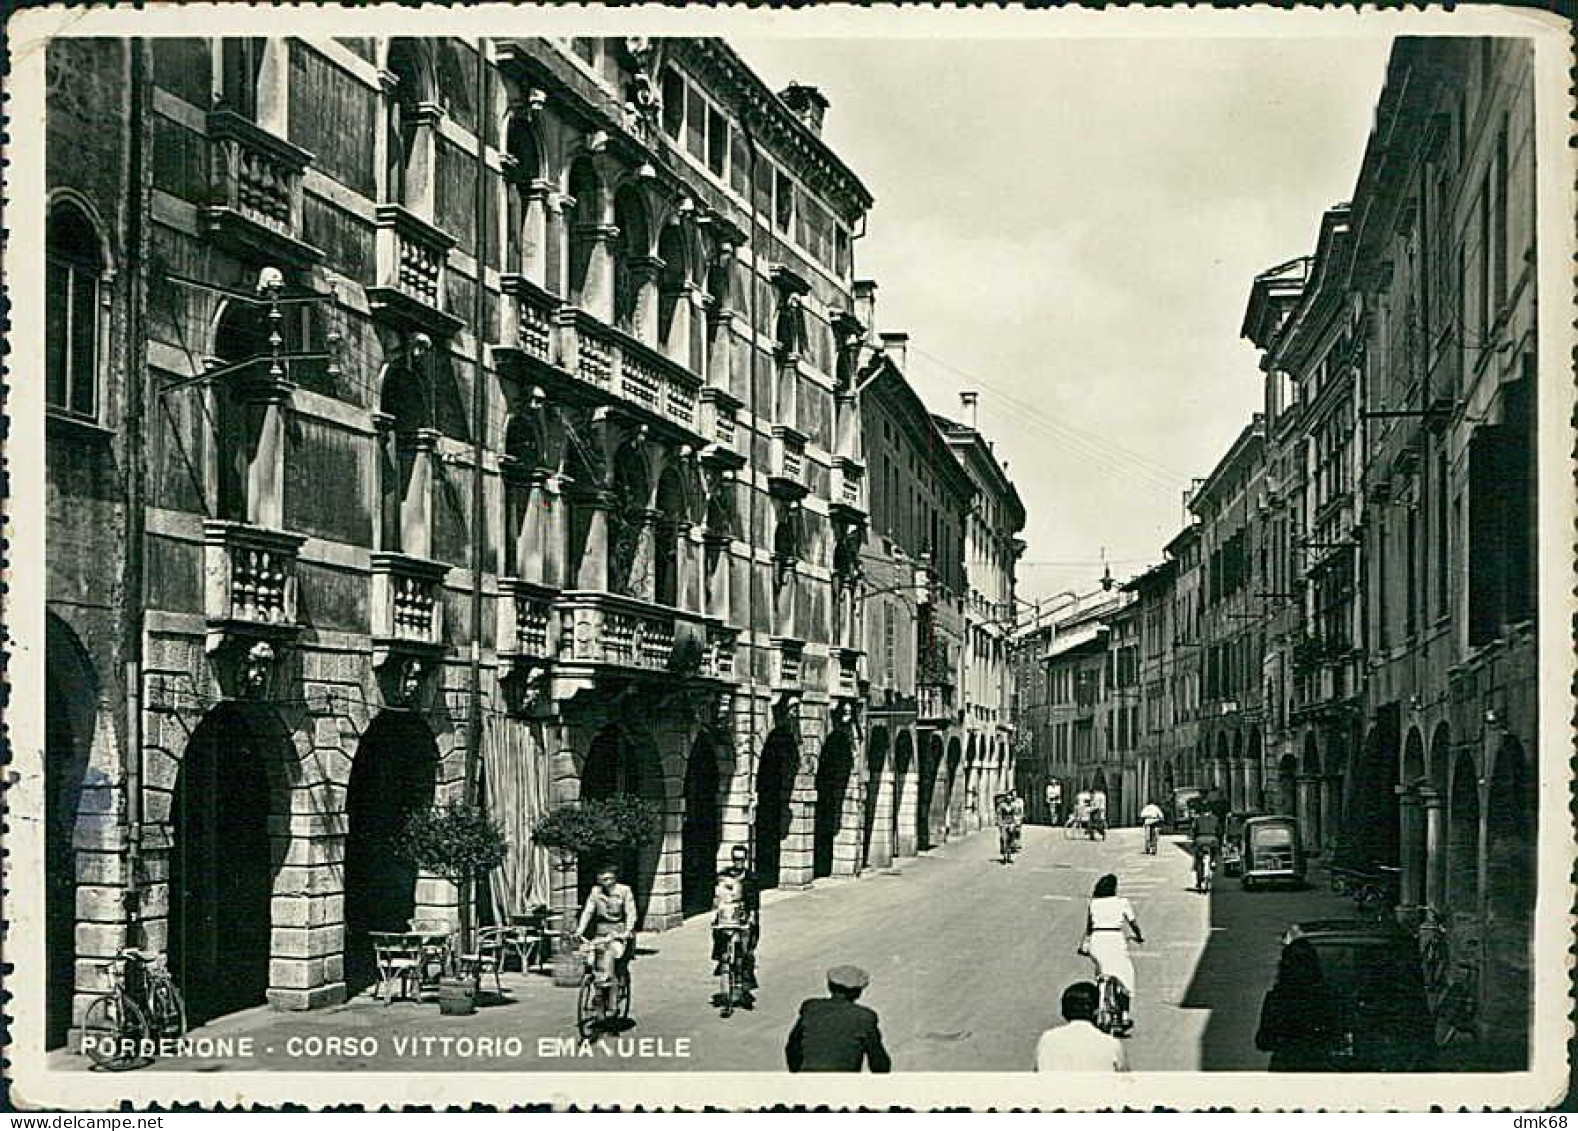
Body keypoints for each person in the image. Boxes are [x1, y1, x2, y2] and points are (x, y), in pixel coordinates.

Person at [1255, 938, 1344, 1071]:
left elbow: (1263, 1042)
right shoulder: (1326, 998)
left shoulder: (1277, 998)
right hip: (1316, 1067)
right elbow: (1337, 1038)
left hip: (1285, 1066)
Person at [785, 966, 892, 1073]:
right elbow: (879, 1063)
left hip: (808, 1080)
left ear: (829, 986)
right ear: (858, 992)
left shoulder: (812, 1009)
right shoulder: (864, 1018)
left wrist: (799, 1076)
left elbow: (792, 1047)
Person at [1078, 873, 1143, 1032]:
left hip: (1097, 941)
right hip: (1115, 939)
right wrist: (1139, 936)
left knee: (1102, 969)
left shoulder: (1094, 903)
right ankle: (1125, 1015)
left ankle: (1100, 996)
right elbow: (1133, 923)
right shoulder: (1122, 903)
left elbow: (1089, 927)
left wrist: (1085, 943)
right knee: (1125, 974)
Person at [575, 863, 637, 1009]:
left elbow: (631, 912)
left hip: (619, 933)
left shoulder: (624, 891)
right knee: (592, 958)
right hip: (601, 933)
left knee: (614, 959)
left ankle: (615, 994)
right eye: (602, 879)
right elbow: (588, 911)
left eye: (608, 879)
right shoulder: (595, 892)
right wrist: (580, 929)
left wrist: (628, 931)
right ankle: (597, 992)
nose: (605, 882)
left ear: (615, 878)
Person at [1034, 981, 1130, 1072]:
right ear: (1096, 1010)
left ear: (1064, 1011)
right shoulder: (1111, 1044)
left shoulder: (1047, 1040)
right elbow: (1125, 1082)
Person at [712, 845, 760, 991]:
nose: (738, 862)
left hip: (744, 915)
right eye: (735, 859)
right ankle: (720, 958)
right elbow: (718, 892)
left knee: (746, 948)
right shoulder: (725, 874)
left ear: (745, 859)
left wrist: (752, 915)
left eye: (741, 859)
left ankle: (746, 975)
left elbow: (754, 900)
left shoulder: (751, 878)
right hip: (727, 914)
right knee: (716, 931)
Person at [1191, 804, 1222, 892]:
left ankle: (1198, 876)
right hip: (1212, 840)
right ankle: (1213, 861)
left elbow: (1194, 830)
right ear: (1210, 811)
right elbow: (1219, 831)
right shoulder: (1215, 818)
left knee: (1198, 859)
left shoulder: (1197, 819)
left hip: (1200, 840)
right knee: (1214, 852)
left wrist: (1193, 841)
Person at [995, 793, 1018, 862]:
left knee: (1010, 840)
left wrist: (1015, 823)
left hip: (1011, 823)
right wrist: (1000, 823)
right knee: (1004, 838)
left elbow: (1015, 815)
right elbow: (999, 815)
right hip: (1004, 823)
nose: (1009, 800)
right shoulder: (1002, 805)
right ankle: (1004, 855)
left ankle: (1009, 856)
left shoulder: (1013, 806)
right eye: (1007, 798)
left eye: (1010, 798)